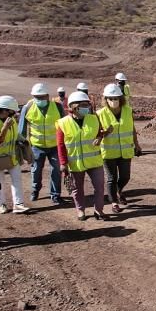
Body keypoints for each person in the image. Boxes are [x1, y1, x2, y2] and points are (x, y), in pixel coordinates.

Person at [57, 91, 110, 221]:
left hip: (94, 161)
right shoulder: (62, 123)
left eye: (87, 104)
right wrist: (63, 163)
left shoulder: (94, 119)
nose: (87, 107)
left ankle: (99, 210)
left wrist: (100, 137)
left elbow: (99, 132)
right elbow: (61, 145)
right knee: (77, 189)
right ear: (73, 107)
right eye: (83, 105)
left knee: (99, 187)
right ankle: (80, 210)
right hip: (75, 163)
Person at [17, 83, 64, 204]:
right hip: (37, 146)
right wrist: (21, 145)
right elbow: (21, 128)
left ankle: (55, 195)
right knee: (36, 170)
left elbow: (66, 125)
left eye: (42, 97)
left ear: (47, 96)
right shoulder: (28, 108)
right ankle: (35, 190)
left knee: (56, 171)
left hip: (55, 146)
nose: (39, 99)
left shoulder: (58, 107)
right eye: (37, 97)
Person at [97, 83, 140, 213]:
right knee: (112, 178)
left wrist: (136, 144)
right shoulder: (99, 114)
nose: (114, 101)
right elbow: (96, 133)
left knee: (125, 176)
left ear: (121, 98)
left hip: (126, 150)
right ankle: (114, 202)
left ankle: (119, 191)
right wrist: (104, 133)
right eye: (111, 98)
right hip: (109, 152)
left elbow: (131, 128)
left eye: (116, 98)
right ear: (105, 99)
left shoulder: (127, 110)